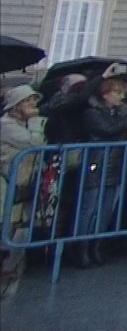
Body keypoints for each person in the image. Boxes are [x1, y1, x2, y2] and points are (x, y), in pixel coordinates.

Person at [74, 72, 127, 268]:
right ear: (106, 94)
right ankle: (81, 247)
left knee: (106, 208)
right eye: (117, 93)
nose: (121, 97)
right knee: (89, 207)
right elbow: (109, 130)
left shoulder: (119, 112)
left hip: (115, 164)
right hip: (96, 162)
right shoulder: (92, 113)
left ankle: (97, 244)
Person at [1, 85, 46, 282]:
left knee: (14, 223)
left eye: (33, 101)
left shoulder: (24, 123)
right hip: (6, 179)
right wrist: (35, 121)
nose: (33, 105)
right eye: (28, 101)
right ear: (17, 105)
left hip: (21, 179)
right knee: (5, 222)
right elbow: (34, 143)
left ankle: (5, 266)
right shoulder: (6, 125)